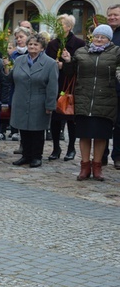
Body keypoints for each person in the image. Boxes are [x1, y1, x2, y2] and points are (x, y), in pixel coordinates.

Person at [60, 24, 120, 181]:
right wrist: (67, 61)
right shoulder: (81, 52)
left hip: (106, 100)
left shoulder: (116, 53)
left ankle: (97, 167)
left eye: (103, 37)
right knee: (85, 135)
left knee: (101, 136)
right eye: (97, 36)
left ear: (109, 39)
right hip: (83, 98)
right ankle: (85, 167)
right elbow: (69, 73)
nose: (99, 39)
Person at [8, 34, 58, 168]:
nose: (32, 46)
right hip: (21, 99)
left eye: (36, 44)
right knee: (23, 129)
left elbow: (52, 86)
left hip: (39, 101)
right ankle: (26, 155)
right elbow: (11, 79)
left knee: (37, 131)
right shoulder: (19, 60)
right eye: (30, 44)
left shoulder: (50, 63)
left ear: (42, 48)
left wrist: (50, 105)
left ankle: (36, 156)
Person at [45, 14, 84, 161]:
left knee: (70, 117)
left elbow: (82, 65)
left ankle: (71, 148)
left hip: (71, 85)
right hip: (55, 84)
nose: (57, 27)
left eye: (60, 24)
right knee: (55, 119)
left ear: (69, 27)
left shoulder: (79, 43)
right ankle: (56, 148)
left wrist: (66, 64)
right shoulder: (52, 44)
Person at [106, 4, 120, 170]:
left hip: (118, 87)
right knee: (104, 123)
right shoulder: (102, 33)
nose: (112, 18)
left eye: (116, 15)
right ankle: (100, 157)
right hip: (104, 86)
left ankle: (117, 155)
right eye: (110, 15)